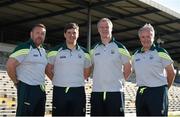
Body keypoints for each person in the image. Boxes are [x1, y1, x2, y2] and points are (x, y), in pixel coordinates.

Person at [45, 23, 91, 116]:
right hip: (59, 91)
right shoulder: (54, 51)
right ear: (64, 34)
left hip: (78, 91)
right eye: (69, 33)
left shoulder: (85, 53)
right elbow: (48, 69)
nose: (72, 35)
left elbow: (87, 72)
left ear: (78, 34)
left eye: (74, 33)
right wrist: (57, 80)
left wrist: (75, 81)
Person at [90, 18, 132, 116]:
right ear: (98, 30)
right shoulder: (93, 49)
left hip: (115, 92)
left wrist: (119, 81)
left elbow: (128, 68)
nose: (104, 29)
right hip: (97, 92)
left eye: (107, 27)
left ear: (111, 29)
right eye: (102, 27)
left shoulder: (120, 47)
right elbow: (89, 67)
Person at [132, 23, 175, 116]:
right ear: (140, 38)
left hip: (158, 92)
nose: (146, 39)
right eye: (143, 37)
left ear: (153, 37)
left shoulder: (160, 52)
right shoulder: (135, 54)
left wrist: (164, 89)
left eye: (148, 36)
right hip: (141, 92)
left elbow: (171, 73)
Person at [6, 24, 47, 116]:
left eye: (42, 34)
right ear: (31, 34)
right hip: (27, 88)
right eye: (37, 33)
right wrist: (16, 82)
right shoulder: (24, 47)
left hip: (40, 89)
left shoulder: (43, 51)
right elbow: (9, 65)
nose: (40, 35)